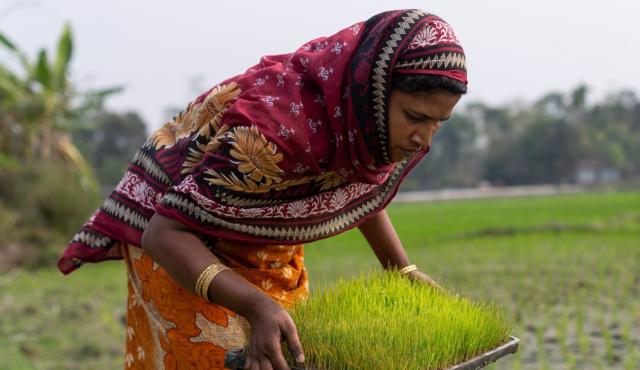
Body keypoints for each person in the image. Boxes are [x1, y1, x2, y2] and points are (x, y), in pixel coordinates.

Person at [58, 8, 467, 370]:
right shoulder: (271, 136)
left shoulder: (363, 124)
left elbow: (358, 185)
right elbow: (164, 234)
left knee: (283, 352)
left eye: (438, 123)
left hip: (256, 233)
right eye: (415, 117)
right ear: (374, 89)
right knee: (210, 357)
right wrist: (256, 305)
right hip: (177, 239)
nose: (423, 139)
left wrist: (402, 269)